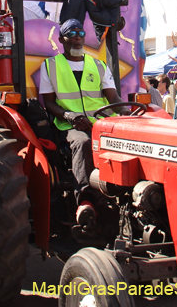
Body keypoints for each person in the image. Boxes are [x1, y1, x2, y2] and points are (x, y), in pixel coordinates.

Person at [39, 19, 128, 228]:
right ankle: (85, 201)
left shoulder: (98, 65)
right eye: (71, 33)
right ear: (62, 39)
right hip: (69, 126)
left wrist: (125, 112)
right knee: (84, 143)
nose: (78, 36)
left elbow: (113, 97)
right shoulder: (50, 65)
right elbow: (49, 103)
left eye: (80, 32)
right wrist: (70, 116)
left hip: (100, 122)